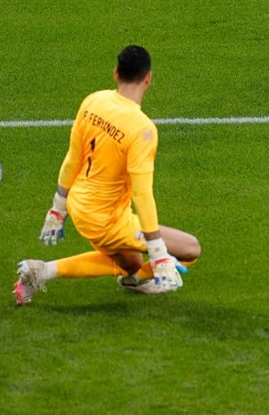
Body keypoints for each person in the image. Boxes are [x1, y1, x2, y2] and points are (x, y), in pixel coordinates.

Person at [14, 45, 201, 304]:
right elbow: (142, 194)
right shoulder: (142, 129)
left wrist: (58, 209)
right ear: (149, 78)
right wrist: (157, 252)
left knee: (131, 263)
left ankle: (42, 270)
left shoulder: (93, 101)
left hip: (79, 206)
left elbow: (72, 158)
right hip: (108, 221)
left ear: (116, 74)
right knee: (190, 249)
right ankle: (145, 281)